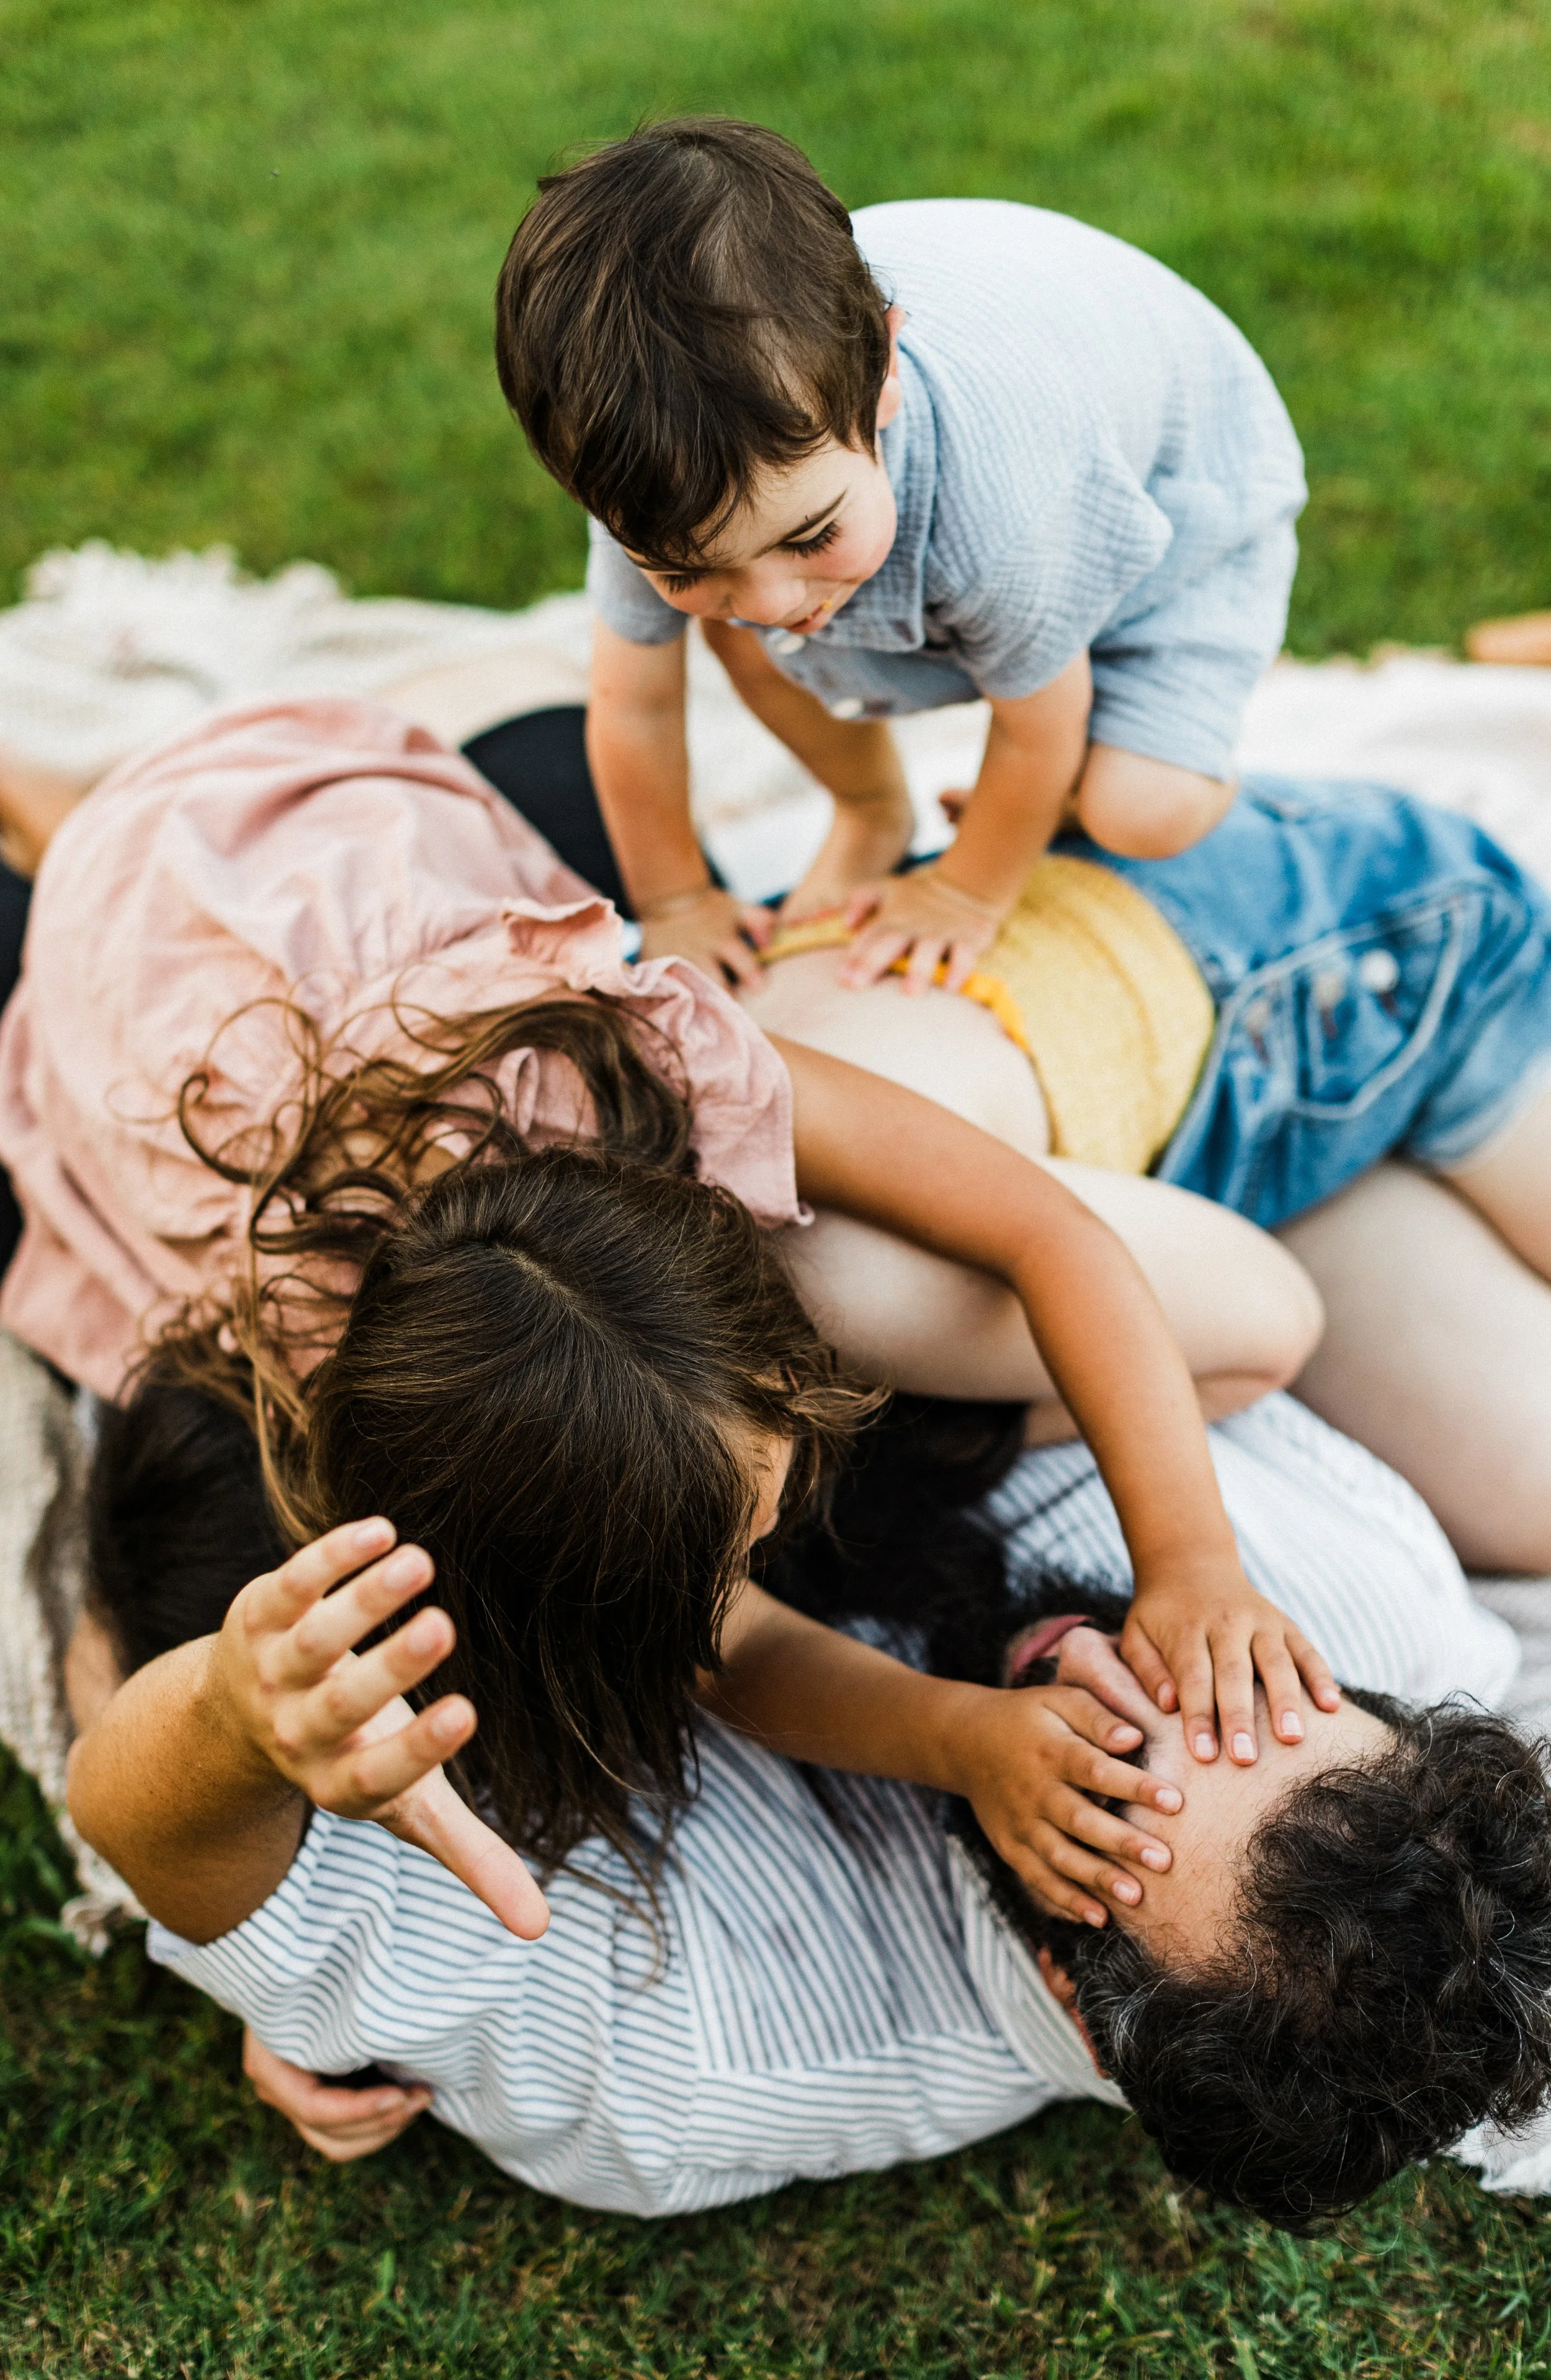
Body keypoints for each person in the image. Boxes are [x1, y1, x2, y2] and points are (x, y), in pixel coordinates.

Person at [0, 696, 1329, 1941]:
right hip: (151, 968)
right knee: (83, 879)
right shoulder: (312, 1388)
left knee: (192, 830)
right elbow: (721, 1653)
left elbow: (1044, 1229)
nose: (783, 1523)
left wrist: (1189, 1559)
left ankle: (71, 809)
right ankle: (64, 817)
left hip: (311, 848)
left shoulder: (645, 1055)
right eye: (722, 1546)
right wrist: (958, 1736)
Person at [65, 1373, 1551, 2233]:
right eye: (1243, 1693)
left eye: (1113, 1770)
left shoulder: (685, 2054)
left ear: (1076, 1996)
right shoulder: (1373, 1611)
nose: (1107, 1655)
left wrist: (222, 1718)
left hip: (227, 1418)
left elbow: (162, 1835)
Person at [494, 118, 1307, 992]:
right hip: (1040, 438)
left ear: (881, 378)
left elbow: (1037, 727)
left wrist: (963, 893)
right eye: (689, 571)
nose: (769, 601)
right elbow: (635, 708)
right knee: (732, 630)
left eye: (807, 537)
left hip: (1184, 507)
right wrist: (678, 902)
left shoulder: (1002, 505)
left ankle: (1173, 782)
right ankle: (872, 810)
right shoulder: (656, 476)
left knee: (1140, 811)